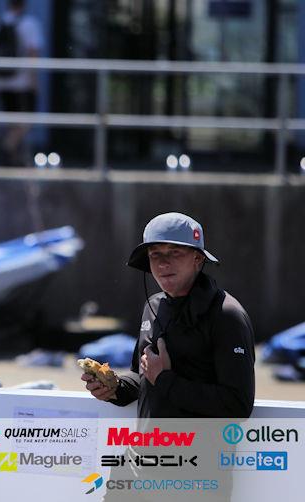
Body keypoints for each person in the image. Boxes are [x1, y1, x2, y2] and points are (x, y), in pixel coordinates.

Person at [81, 212, 255, 502]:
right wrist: (114, 389)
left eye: (175, 253)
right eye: (155, 254)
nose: (163, 263)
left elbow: (237, 405)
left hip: (196, 479)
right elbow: (142, 377)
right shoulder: (153, 306)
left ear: (198, 259)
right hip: (137, 468)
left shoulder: (227, 315)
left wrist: (166, 379)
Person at [0, 0, 44, 166]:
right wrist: (34, 80)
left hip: (0, 81)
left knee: (12, 122)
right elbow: (33, 52)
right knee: (25, 122)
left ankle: (12, 156)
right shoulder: (29, 24)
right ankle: (6, 149)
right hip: (22, 83)